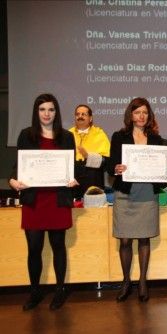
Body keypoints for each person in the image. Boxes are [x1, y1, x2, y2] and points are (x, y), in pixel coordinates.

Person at [9, 93, 78, 310]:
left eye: (50, 109)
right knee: (34, 248)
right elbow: (18, 166)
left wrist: (74, 179)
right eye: (42, 109)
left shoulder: (66, 137)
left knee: (58, 246)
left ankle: (59, 291)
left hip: (57, 200)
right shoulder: (26, 135)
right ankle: (35, 292)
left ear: (56, 113)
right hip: (34, 200)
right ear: (36, 112)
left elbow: (73, 169)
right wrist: (13, 180)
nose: (46, 114)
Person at [108, 97, 167, 302]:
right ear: (131, 115)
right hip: (125, 194)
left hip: (146, 194)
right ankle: (126, 281)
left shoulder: (156, 139)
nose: (141, 116)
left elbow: (162, 170)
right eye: (137, 112)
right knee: (125, 240)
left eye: (145, 112)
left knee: (144, 238)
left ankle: (143, 281)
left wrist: (165, 171)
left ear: (149, 116)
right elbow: (111, 165)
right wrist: (116, 169)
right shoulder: (119, 136)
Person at [69, 104, 110, 199]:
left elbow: (106, 161)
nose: (80, 116)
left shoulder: (99, 134)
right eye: (77, 114)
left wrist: (89, 156)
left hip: (93, 177)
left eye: (84, 114)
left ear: (90, 118)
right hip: (73, 179)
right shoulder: (68, 134)